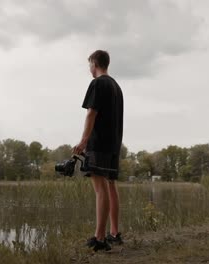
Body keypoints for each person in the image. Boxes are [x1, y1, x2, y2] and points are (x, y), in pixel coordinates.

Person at [72, 50, 124, 252]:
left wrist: (84, 140)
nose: (89, 69)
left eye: (89, 65)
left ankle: (100, 239)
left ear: (94, 63)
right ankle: (114, 233)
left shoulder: (98, 83)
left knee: (100, 189)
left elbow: (91, 114)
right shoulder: (116, 87)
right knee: (110, 186)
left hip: (99, 143)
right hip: (113, 145)